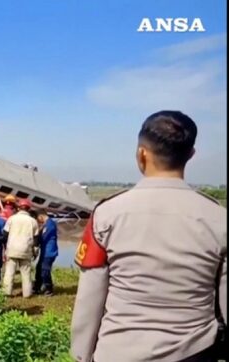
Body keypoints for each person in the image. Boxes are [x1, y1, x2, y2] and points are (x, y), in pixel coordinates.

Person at [71, 111, 227, 362]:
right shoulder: (219, 219)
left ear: (141, 154)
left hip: (118, 352)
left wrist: (82, 355)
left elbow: (90, 297)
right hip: (196, 353)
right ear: (191, 155)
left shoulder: (107, 214)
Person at [1, 198, 39, 298]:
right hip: (26, 250)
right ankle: (27, 294)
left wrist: (5, 248)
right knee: (26, 273)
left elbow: (4, 234)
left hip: (12, 249)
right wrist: (35, 252)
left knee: (9, 272)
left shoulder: (11, 219)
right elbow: (36, 239)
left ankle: (7, 292)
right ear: (28, 209)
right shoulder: (33, 221)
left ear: (18, 208)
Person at [33, 210, 58, 296]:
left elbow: (43, 237)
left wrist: (36, 239)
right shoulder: (46, 224)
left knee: (45, 270)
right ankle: (37, 287)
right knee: (39, 269)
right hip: (44, 251)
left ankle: (49, 288)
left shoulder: (50, 224)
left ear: (41, 216)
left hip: (49, 252)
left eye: (38, 219)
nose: (38, 221)